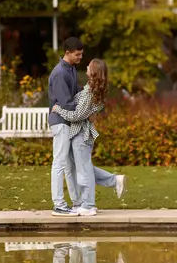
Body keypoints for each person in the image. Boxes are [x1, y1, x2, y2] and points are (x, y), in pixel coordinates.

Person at [52, 58, 126, 216]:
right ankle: (115, 181)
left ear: (93, 71)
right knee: (84, 169)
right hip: (79, 134)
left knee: (84, 171)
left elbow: (77, 115)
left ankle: (89, 205)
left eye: (89, 66)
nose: (85, 66)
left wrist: (58, 109)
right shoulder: (88, 89)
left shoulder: (89, 92)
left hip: (81, 135)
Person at [48, 37, 83, 216]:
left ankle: (77, 203)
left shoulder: (71, 70)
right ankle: (59, 204)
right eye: (77, 54)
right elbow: (67, 103)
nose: (80, 57)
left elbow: (77, 94)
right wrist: (85, 110)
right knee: (60, 163)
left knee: (70, 164)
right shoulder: (61, 72)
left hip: (67, 121)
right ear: (68, 53)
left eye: (81, 54)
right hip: (60, 122)